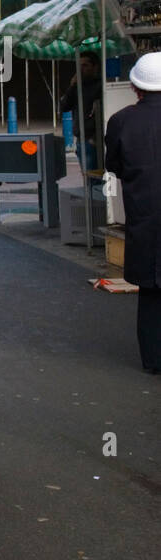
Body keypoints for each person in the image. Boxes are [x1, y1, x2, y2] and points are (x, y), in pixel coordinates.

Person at [105, 52, 161, 374]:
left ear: (136, 88)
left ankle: (154, 361)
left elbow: (114, 165)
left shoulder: (122, 120)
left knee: (151, 294)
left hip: (145, 218)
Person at [61, 51, 104, 171]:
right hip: (81, 138)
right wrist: (72, 86)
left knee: (94, 178)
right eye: (79, 66)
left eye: (85, 65)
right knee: (88, 176)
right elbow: (64, 106)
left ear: (95, 67)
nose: (81, 69)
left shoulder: (100, 86)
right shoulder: (78, 86)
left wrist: (95, 137)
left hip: (93, 139)